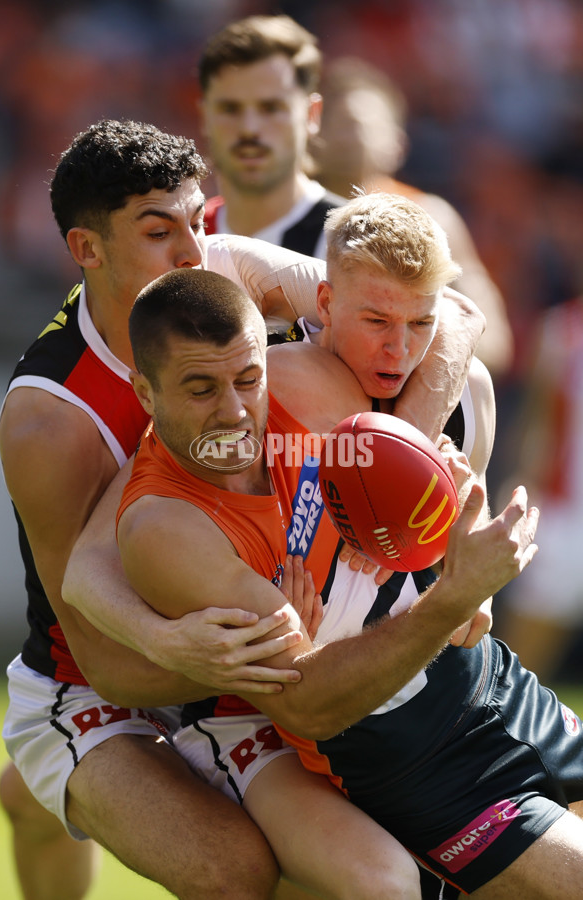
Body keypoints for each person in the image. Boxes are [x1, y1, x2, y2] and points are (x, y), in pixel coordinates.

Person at [0, 119, 483, 900]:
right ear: (87, 250)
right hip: (112, 684)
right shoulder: (50, 419)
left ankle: (41, 796)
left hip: (242, 645)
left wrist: (400, 461)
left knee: (386, 859)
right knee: (234, 870)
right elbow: (99, 655)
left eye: (198, 217)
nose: (194, 251)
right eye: (161, 233)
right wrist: (193, 648)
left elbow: (451, 319)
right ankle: (52, 779)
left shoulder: (223, 266)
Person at [67, 196, 583, 898]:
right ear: (146, 395)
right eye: (199, 387)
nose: (233, 410)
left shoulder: (312, 383)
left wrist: (432, 486)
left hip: (493, 683)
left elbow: (466, 346)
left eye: (247, 380)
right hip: (410, 754)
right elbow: (308, 706)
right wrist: (453, 591)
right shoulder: (167, 525)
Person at [311, 56, 514, 377]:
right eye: (339, 122)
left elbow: (492, 338)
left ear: (398, 143)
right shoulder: (289, 214)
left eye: (364, 124)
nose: (352, 136)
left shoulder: (433, 217)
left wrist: (409, 350)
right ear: (313, 135)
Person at [197, 14, 345, 259]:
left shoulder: (355, 245)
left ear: (312, 114)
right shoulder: (181, 241)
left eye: (271, 108)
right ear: (204, 116)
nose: (249, 128)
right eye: (230, 109)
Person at [496, 294, 583, 683]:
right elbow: (537, 425)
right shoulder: (561, 330)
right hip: (565, 520)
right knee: (520, 671)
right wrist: (519, 493)